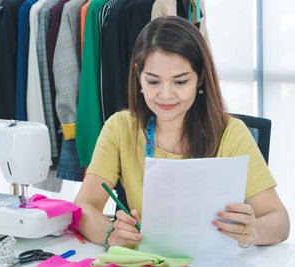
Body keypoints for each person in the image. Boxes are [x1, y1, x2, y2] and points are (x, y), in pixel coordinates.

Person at [74, 16, 290, 250]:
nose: (166, 95)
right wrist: (110, 234)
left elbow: (279, 221)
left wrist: (253, 231)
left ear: (200, 78)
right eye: (153, 82)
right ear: (138, 75)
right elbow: (84, 207)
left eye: (180, 82)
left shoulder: (231, 133)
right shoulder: (119, 128)